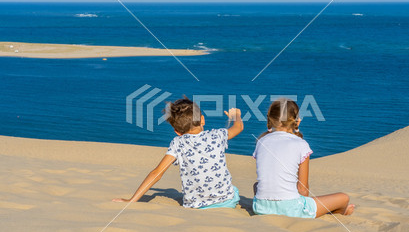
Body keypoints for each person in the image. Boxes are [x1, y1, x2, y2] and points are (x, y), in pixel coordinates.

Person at [113, 97, 244, 209]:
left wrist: (132, 200)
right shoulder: (217, 135)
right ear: (202, 120)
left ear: (177, 131)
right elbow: (238, 127)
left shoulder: (178, 143)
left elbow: (156, 174)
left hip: (195, 205)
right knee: (234, 189)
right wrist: (236, 116)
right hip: (226, 202)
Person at [252, 98, 355, 218]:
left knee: (256, 185)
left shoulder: (261, 141)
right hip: (291, 209)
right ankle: (339, 212)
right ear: (297, 121)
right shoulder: (301, 144)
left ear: (270, 119)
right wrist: (303, 205)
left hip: (261, 207)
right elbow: (303, 189)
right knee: (343, 198)